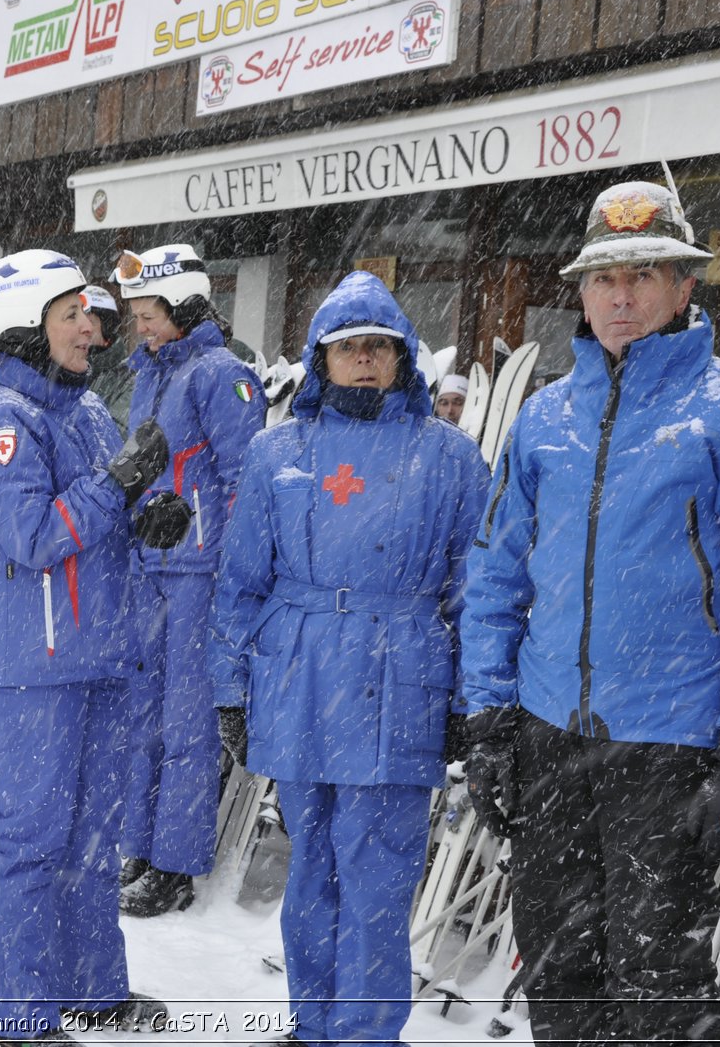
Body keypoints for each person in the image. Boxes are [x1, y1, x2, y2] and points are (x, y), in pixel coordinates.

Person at [458, 180, 720, 1044]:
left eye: (644, 274)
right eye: (602, 278)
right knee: (557, 969)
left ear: (685, 285)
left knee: (659, 982)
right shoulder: (544, 419)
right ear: (580, 290)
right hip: (551, 735)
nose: (621, 297)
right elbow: (494, 577)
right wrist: (487, 722)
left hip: (675, 746)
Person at [211, 270, 489, 1047]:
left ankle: (367, 1034)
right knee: (310, 867)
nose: (364, 359)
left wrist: (470, 697)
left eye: (378, 346)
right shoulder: (276, 453)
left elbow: (479, 587)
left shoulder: (450, 457)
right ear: (320, 359)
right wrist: (229, 686)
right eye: (348, 348)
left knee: (378, 872)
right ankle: (312, 1024)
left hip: (400, 676)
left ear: (402, 357)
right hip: (298, 675)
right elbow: (239, 581)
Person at [0, 249, 173, 1044]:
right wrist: (116, 488)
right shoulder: (0, 421)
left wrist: (150, 512)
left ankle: (90, 986)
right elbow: (36, 534)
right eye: (72, 314)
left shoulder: (84, 414)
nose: (94, 327)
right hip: (26, 668)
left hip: (97, 657)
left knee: (92, 834)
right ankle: (17, 1018)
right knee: (26, 841)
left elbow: (105, 511)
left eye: (92, 313)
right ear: (24, 326)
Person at [111, 243, 266, 918]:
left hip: (199, 571)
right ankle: (139, 844)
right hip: (151, 564)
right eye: (135, 314)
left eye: (148, 314)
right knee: (142, 714)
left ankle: (175, 863)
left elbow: (245, 483)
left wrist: (224, 558)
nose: (139, 326)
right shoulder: (151, 374)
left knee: (186, 722)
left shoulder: (220, 374)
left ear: (184, 307)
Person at [80, 285, 132, 430]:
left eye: (89, 322)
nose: (81, 329)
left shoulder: (128, 378)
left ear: (106, 327)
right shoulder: (64, 370)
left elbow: (117, 437)